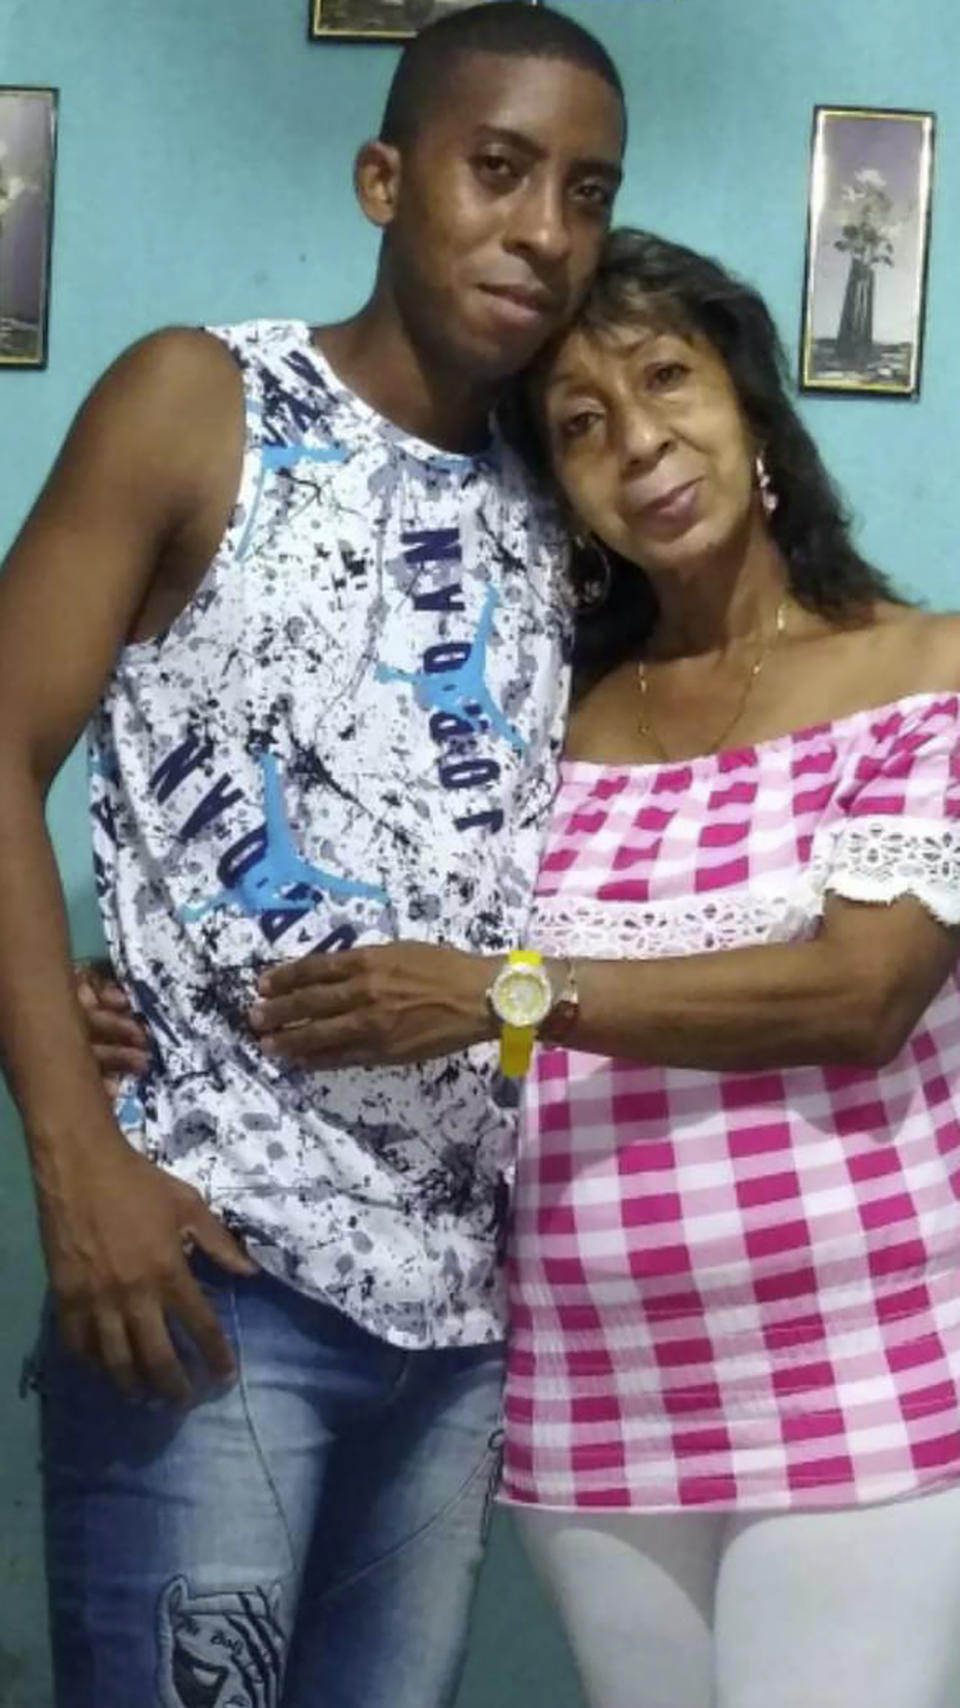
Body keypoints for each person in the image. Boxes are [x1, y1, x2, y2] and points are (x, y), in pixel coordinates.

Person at [202, 230, 960, 1708]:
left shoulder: (923, 673)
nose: (641, 442)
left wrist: (514, 995)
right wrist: (159, 1013)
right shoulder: (548, 723)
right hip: (594, 1392)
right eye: (580, 425)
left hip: (860, 1371)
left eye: (668, 379)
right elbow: (376, 927)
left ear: (751, 412)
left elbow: (859, 998)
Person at [0, 7, 626, 1705]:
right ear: (384, 176)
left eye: (586, 191)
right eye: (499, 171)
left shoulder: (565, 509)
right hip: (212, 1279)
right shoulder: (199, 397)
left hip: (462, 1328)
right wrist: (74, 1154)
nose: (544, 232)